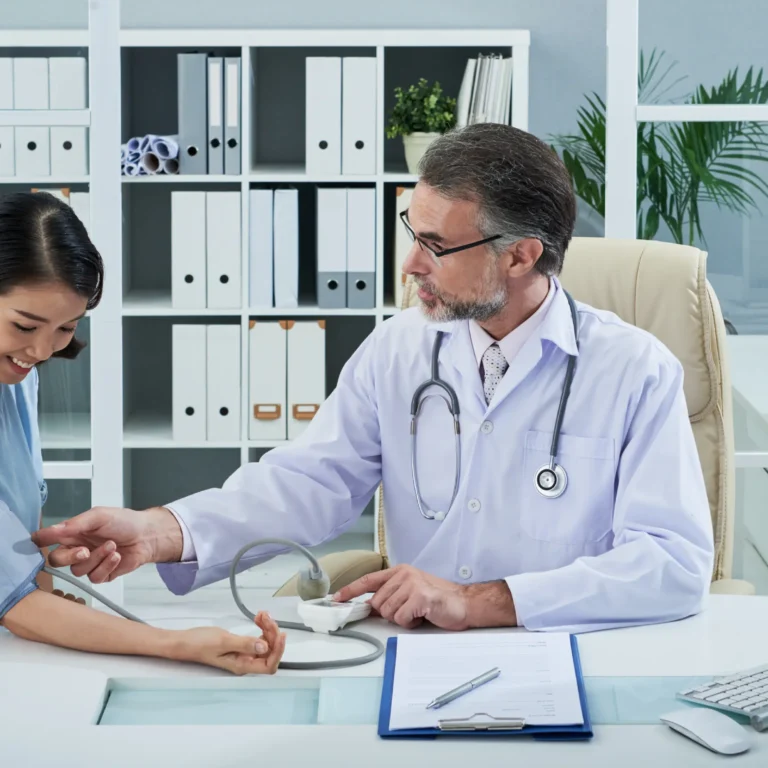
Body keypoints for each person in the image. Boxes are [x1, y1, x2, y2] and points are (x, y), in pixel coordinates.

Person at [35, 124, 715, 634]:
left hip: (566, 651)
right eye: (411, 232)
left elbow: (673, 564)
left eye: (438, 246)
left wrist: (485, 601)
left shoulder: (633, 371)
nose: (410, 264)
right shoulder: (399, 351)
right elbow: (307, 483)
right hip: (420, 655)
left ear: (522, 256)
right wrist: (161, 531)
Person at [0, 191, 286, 674]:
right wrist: (180, 645)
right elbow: (15, 604)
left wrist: (42, 568)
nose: (43, 350)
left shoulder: (15, 376)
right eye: (25, 326)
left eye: (66, 329)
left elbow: (18, 554)